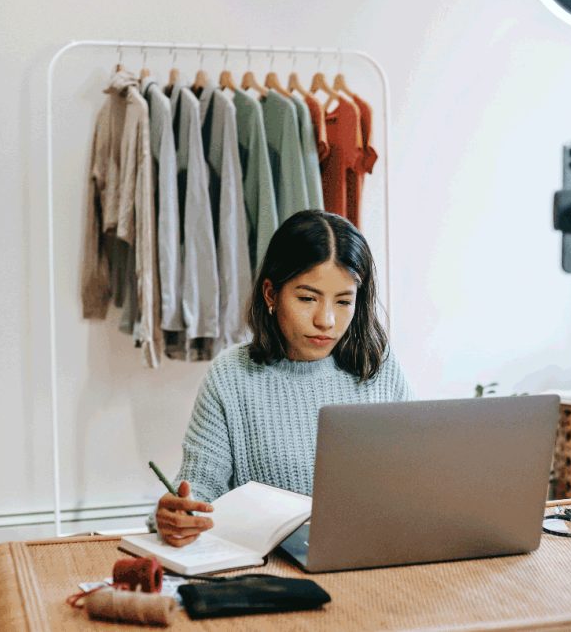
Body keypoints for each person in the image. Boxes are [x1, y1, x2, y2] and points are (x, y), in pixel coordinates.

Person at [152, 210, 415, 547]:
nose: (326, 320)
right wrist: (177, 516)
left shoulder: (379, 365)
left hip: (374, 555)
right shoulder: (231, 376)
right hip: (272, 570)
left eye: (344, 301)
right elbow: (199, 489)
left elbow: (415, 479)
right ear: (271, 294)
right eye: (307, 298)